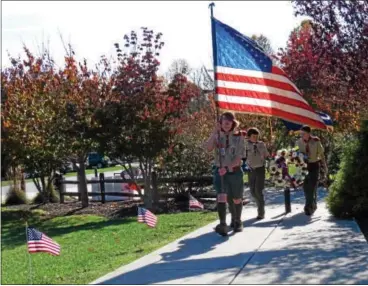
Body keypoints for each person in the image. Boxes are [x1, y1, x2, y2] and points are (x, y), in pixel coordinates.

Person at [204, 112, 245, 236]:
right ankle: (222, 223)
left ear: (233, 123)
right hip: (219, 172)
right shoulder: (217, 136)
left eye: (229, 121)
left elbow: (239, 158)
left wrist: (227, 168)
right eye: (224, 121)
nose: (226, 124)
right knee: (221, 197)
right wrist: (213, 133)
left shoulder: (239, 137)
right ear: (220, 123)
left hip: (235, 172)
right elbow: (208, 147)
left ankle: (237, 221)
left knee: (236, 198)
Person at [296, 125, 328, 215]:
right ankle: (313, 204)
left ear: (309, 133)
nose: (302, 135)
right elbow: (296, 154)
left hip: (314, 165)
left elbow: (321, 155)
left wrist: (325, 166)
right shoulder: (299, 142)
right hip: (304, 167)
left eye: (304, 133)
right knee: (306, 187)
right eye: (301, 133)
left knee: (312, 187)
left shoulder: (316, 141)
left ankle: (308, 207)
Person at [245, 127, 269, 219]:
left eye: (256, 136)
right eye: (253, 136)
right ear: (249, 136)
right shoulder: (245, 145)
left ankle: (261, 212)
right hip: (251, 170)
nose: (255, 138)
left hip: (260, 169)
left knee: (258, 191)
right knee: (252, 191)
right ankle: (260, 203)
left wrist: (266, 157)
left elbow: (267, 155)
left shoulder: (261, 144)